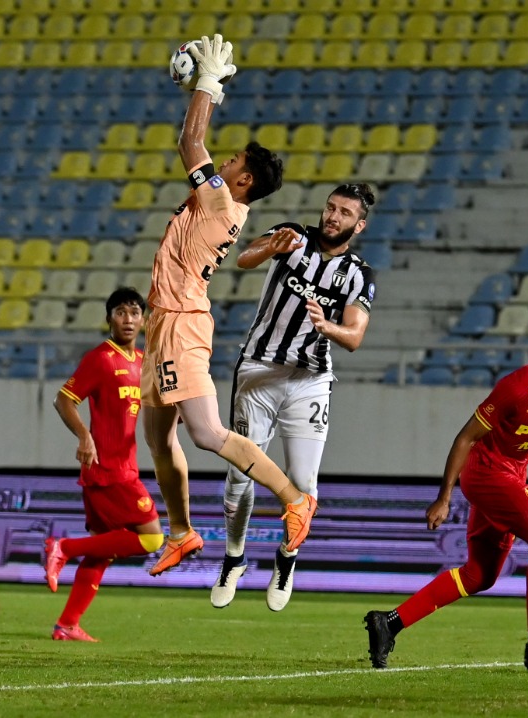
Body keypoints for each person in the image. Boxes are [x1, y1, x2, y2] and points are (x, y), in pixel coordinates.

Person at [140, 33, 317, 577]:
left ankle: (295, 498)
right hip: (163, 322)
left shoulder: (221, 201)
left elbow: (190, 142)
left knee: (205, 433)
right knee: (157, 434)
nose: (223, 161)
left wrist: (208, 84)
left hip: (182, 322)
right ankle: (182, 532)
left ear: (241, 180)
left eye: (232, 160)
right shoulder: (220, 201)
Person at [364, 318, 528, 672]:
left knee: (481, 575)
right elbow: (466, 438)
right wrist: (444, 497)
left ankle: (389, 623)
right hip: (486, 475)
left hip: (514, 479)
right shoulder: (518, 387)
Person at [211, 183, 378, 612]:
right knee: (239, 477)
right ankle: (234, 558)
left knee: (303, 486)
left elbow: (355, 336)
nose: (332, 216)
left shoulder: (359, 274)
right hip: (258, 370)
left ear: (358, 225)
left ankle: (287, 560)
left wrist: (328, 327)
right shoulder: (292, 236)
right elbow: (244, 258)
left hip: (310, 380)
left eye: (344, 213)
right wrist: (269, 249)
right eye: (330, 207)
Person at [43, 288, 164, 641]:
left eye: (134, 313)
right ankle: (63, 547)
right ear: (109, 318)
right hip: (110, 470)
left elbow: (152, 406)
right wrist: (84, 434)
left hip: (120, 467)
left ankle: (67, 624)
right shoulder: (100, 358)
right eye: (121, 312)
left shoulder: (142, 361)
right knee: (152, 538)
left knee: (103, 551)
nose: (128, 319)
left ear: (144, 320)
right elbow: (64, 400)